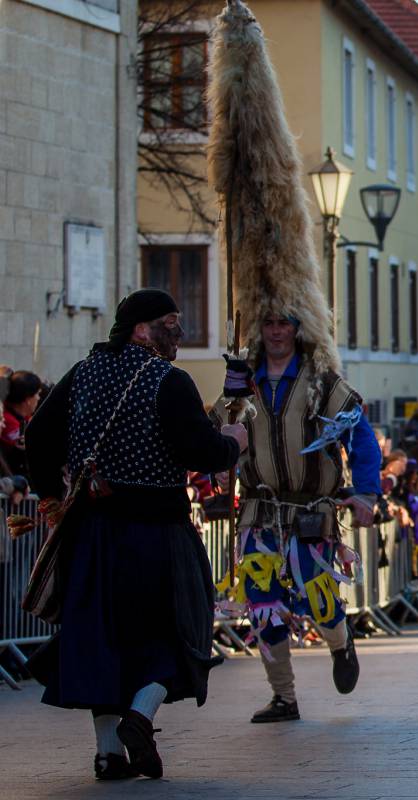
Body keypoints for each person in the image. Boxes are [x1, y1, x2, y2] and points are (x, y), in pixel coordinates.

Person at [25, 289, 247, 780]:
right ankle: (140, 718)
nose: (180, 332)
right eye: (171, 321)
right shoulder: (168, 380)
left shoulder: (82, 373)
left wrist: (50, 495)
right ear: (141, 330)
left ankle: (108, 754)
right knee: (173, 629)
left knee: (101, 640)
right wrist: (230, 443)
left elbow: (37, 435)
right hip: (156, 533)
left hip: (90, 530)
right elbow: (198, 451)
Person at [217, 311, 381, 724]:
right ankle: (283, 697)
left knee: (318, 594)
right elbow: (218, 432)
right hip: (259, 509)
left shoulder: (321, 381)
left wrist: (365, 492)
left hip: (312, 508)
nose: (275, 331)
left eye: (284, 324)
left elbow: (359, 433)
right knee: (263, 604)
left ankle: (340, 643)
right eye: (268, 323)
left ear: (298, 329)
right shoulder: (241, 382)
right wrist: (217, 464)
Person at [1, 369, 42, 478]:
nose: (39, 398)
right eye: (37, 394)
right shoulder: (7, 421)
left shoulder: (23, 416)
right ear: (28, 399)